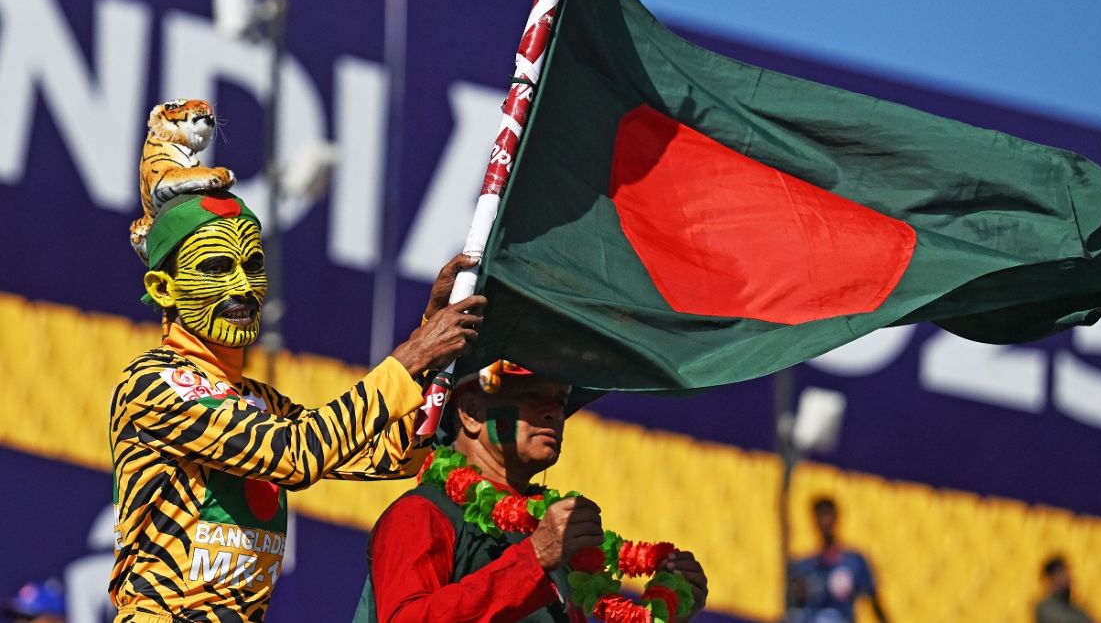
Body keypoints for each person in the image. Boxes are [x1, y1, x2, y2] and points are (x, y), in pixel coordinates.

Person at [109, 186, 483, 623]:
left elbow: (388, 457)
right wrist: (409, 358)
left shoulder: (260, 400)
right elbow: (293, 456)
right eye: (216, 268)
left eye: (252, 266)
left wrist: (427, 337)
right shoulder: (153, 383)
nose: (243, 287)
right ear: (163, 288)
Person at [358, 360, 710, 622]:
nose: (554, 413)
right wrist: (534, 560)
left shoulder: (549, 535)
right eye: (531, 395)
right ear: (471, 413)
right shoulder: (421, 513)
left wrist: (668, 608)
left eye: (560, 400)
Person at [787, 497, 888, 623]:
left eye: (828, 515)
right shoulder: (805, 566)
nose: (825, 522)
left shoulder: (855, 561)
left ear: (836, 518)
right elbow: (795, 607)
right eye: (820, 517)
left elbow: (874, 603)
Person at [1035, 555, 1094, 623]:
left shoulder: (1074, 606)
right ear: (1051, 578)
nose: (1068, 577)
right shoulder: (1045, 608)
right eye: (1062, 573)